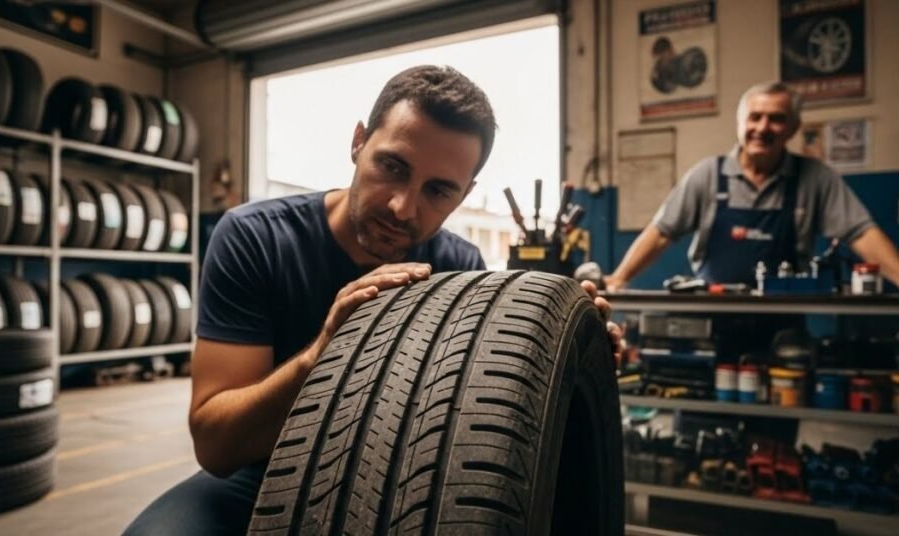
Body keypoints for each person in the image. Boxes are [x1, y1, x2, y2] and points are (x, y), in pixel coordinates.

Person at [124, 65, 619, 535]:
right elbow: (215, 445)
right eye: (393, 166)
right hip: (262, 468)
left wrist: (570, 361)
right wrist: (322, 356)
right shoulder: (254, 237)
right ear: (359, 142)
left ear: (465, 193)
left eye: (438, 190)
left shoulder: (459, 265)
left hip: (402, 479)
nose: (404, 206)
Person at [605, 81, 899, 297]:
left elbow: (861, 232)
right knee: (703, 414)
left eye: (776, 119)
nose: (762, 128)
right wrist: (620, 278)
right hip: (713, 315)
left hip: (781, 323)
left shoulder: (814, 178)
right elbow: (662, 231)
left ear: (794, 127)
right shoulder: (706, 176)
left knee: (773, 413)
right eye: (754, 118)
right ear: (740, 124)